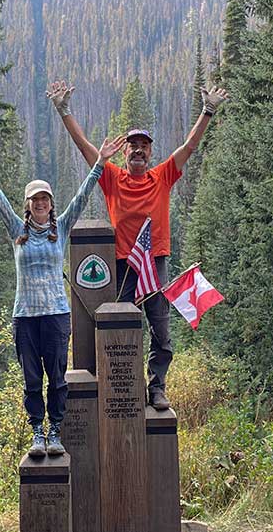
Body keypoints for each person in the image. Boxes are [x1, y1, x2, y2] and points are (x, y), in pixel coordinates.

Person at [46, 80, 229, 410]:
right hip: (121, 267)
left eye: (144, 145)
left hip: (155, 263)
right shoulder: (112, 178)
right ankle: (122, 388)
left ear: (150, 151)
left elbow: (188, 147)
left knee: (161, 330)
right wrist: (64, 111)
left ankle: (156, 387)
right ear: (125, 151)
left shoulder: (162, 176)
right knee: (120, 331)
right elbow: (85, 147)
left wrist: (208, 111)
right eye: (133, 146)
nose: (138, 150)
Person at [0, 129, 124, 458]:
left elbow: (82, 195)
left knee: (57, 377)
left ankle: (55, 431)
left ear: (51, 204)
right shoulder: (17, 230)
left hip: (55, 315)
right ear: (28, 204)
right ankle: (37, 432)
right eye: (35, 199)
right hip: (24, 316)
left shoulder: (61, 228)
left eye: (45, 199)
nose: (40, 203)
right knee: (31, 378)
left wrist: (100, 162)